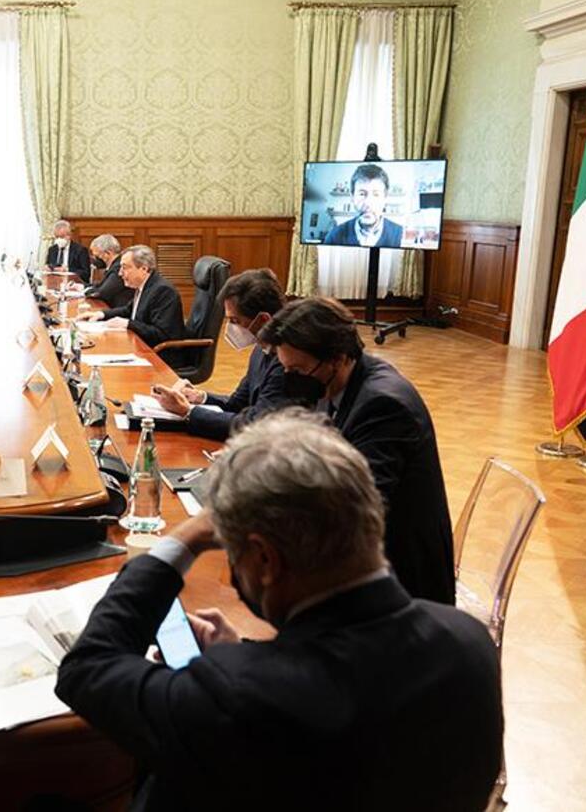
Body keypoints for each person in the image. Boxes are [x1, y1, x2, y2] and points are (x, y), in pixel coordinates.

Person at [56, 410, 503, 812]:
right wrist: (250, 653)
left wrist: (188, 536)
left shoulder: (238, 696)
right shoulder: (468, 643)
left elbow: (88, 669)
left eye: (233, 555)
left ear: (266, 560)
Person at [256, 296, 455, 604]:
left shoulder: (383, 405)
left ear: (337, 358)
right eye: (285, 369)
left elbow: (359, 513)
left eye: (298, 370)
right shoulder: (336, 381)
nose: (290, 380)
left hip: (399, 581)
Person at [151, 268, 288, 441]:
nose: (230, 327)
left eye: (235, 320)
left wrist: (188, 412)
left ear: (263, 320)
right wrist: (200, 397)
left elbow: (255, 425)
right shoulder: (260, 349)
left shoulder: (287, 362)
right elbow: (238, 403)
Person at [80, 245, 184, 352]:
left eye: (125, 267)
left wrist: (128, 324)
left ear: (144, 269)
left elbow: (161, 334)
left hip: (158, 353)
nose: (120, 273)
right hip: (140, 345)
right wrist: (101, 314)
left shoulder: (163, 291)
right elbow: (128, 310)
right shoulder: (143, 285)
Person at [323, 163, 405, 248]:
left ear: (385, 198)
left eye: (376, 194)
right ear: (352, 197)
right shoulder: (335, 236)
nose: (368, 203)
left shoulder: (401, 236)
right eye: (362, 194)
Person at [73, 233, 133, 307]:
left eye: (96, 256)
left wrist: (83, 292)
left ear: (108, 253)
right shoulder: (114, 265)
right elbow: (101, 285)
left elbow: (103, 292)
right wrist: (82, 286)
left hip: (116, 309)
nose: (94, 259)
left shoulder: (119, 267)